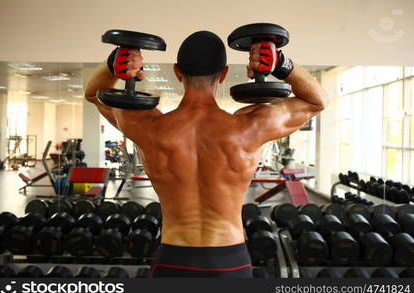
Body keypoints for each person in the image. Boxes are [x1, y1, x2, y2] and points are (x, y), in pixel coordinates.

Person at [84, 30, 328, 277]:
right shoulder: (249, 127)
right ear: (222, 75)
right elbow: (317, 101)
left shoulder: (149, 127)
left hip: (173, 257)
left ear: (178, 73)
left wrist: (116, 62)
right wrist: (280, 63)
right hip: (229, 259)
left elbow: (93, 93)